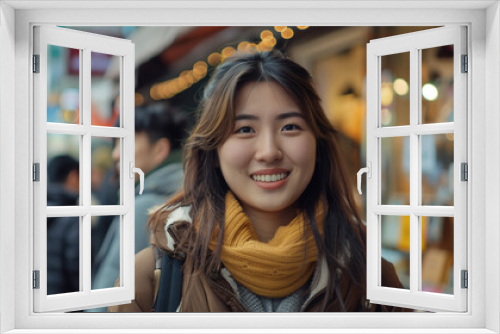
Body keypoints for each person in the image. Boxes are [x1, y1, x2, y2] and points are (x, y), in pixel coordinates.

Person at [109, 51, 406, 312]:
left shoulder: (369, 274)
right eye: (244, 129)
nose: (268, 152)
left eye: (290, 127)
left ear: (318, 143)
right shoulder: (150, 280)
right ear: (213, 148)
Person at [89, 102, 187, 311]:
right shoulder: (182, 195)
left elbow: (113, 281)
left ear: (160, 149)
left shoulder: (146, 205)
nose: (115, 154)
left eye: (124, 143)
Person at [46, 155, 80, 295]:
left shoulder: (36, 208)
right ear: (73, 176)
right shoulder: (72, 215)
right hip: (66, 301)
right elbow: (77, 269)